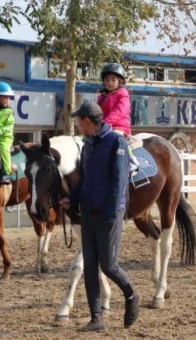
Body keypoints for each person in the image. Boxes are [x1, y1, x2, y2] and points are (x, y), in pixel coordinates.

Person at [59, 101, 139, 331]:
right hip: (89, 212)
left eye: (78, 120)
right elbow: (83, 180)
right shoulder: (88, 146)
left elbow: (118, 180)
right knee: (91, 266)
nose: (77, 124)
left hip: (108, 214)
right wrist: (71, 199)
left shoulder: (116, 142)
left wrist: (111, 212)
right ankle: (96, 319)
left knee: (109, 265)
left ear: (86, 121)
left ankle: (132, 296)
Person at [96, 63, 139, 173]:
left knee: (115, 138)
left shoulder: (123, 94)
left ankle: (131, 160)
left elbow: (119, 111)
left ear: (120, 81)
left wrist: (105, 123)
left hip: (119, 126)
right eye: (107, 80)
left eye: (113, 80)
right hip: (103, 127)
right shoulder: (101, 97)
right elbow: (98, 112)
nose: (109, 82)